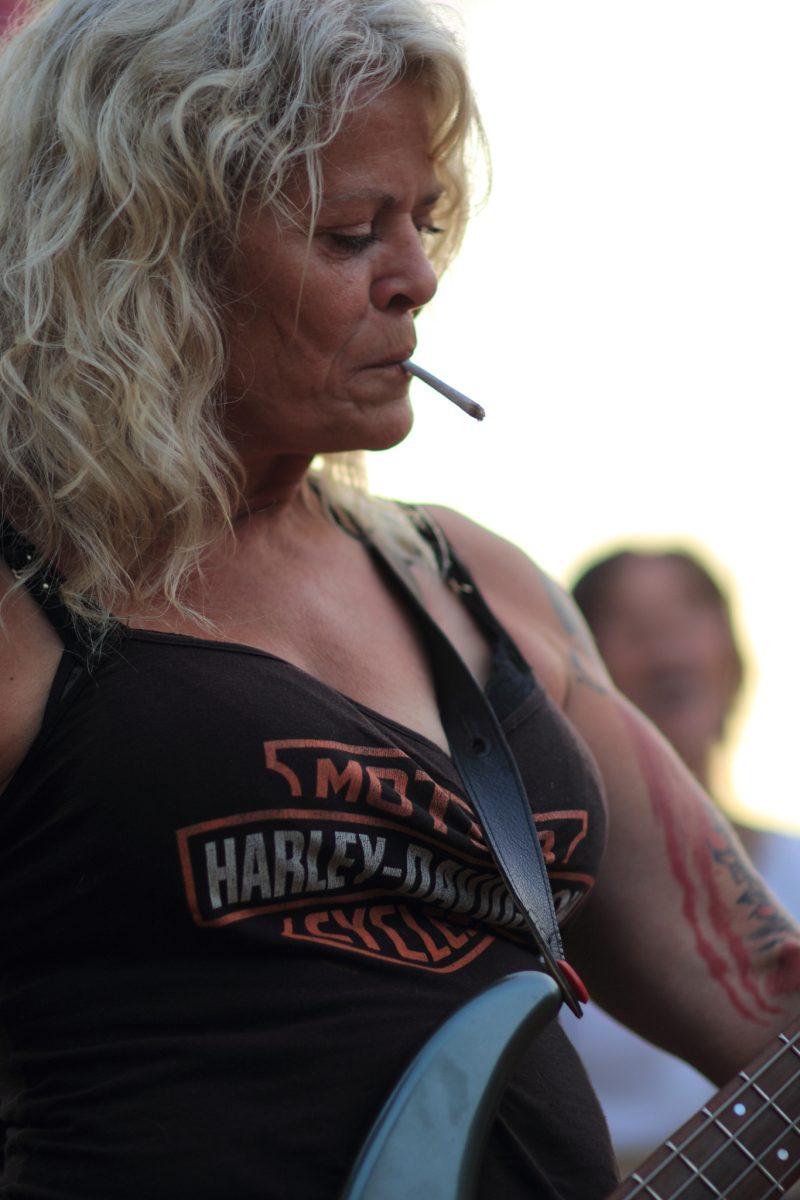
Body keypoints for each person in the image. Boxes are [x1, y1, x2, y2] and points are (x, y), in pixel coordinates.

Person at [0, 4, 798, 1198]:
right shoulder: (28, 589)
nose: (416, 278)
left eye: (420, 224)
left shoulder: (479, 587)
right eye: (348, 233)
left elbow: (766, 1001)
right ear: (149, 246)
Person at [562, 549, 800, 1176]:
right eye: (631, 626)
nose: (665, 647)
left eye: (688, 615)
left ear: (735, 665)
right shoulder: (550, 897)